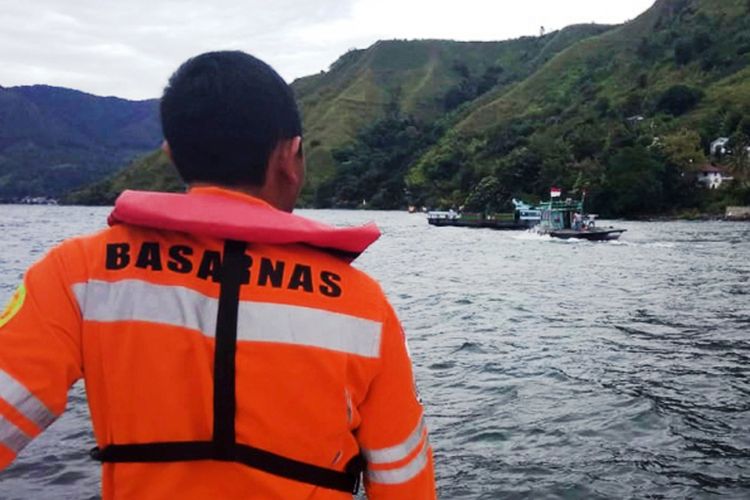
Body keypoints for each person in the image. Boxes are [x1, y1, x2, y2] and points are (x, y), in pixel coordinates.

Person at [0, 51, 435, 499]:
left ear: (173, 156)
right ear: (291, 156)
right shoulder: (362, 305)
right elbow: (404, 480)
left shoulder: (79, 274)